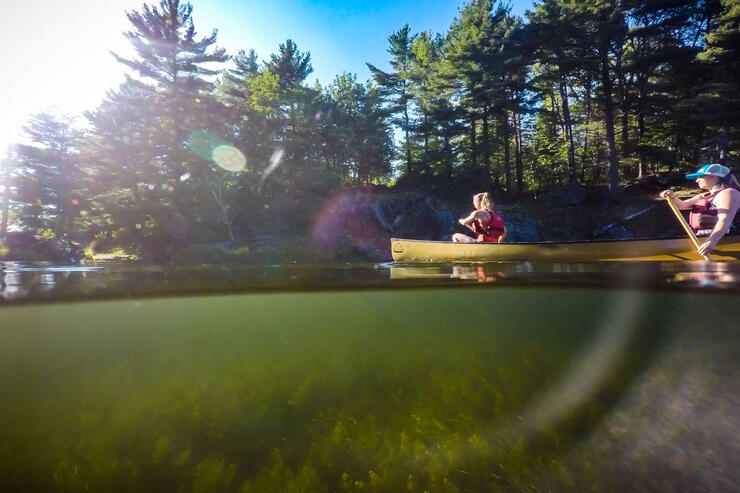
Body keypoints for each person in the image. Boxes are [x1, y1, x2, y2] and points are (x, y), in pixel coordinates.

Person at [659, 163, 740, 256]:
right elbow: (682, 206)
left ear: (714, 177)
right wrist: (672, 197)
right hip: (704, 238)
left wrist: (711, 242)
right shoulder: (704, 196)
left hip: (727, 239)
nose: (697, 180)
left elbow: (725, 219)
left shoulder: (729, 193)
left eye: (700, 177)